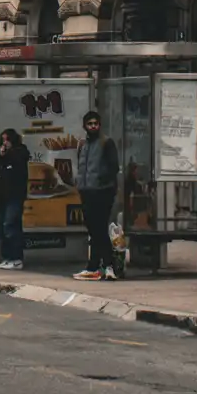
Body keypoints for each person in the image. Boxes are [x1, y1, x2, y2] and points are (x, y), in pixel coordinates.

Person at [74, 109, 119, 282]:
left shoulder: (106, 142)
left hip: (102, 191)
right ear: (85, 126)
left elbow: (113, 166)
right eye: (90, 123)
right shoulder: (83, 144)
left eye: (96, 123)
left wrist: (103, 182)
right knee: (94, 229)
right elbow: (81, 165)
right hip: (87, 191)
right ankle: (97, 266)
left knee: (99, 228)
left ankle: (105, 265)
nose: (93, 126)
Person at [0, 127, 29, 269]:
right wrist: (1, 155)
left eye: (7, 140)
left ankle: (16, 258)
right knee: (2, 226)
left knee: (11, 225)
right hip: (4, 195)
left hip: (15, 195)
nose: (5, 143)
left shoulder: (20, 153)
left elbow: (18, 165)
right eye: (3, 140)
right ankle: (7, 257)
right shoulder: (5, 156)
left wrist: (8, 154)